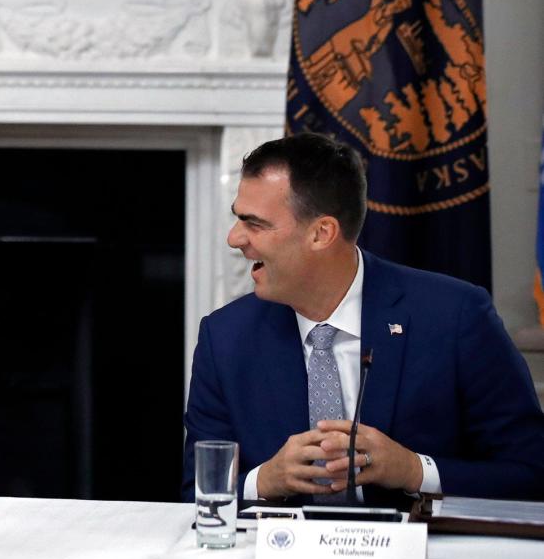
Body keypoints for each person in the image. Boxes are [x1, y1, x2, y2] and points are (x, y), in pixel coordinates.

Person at [182, 133, 544, 505]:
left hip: (423, 557)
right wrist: (265, 481)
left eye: (254, 223)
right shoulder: (225, 337)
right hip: (277, 558)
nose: (234, 238)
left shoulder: (455, 317)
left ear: (322, 233)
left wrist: (414, 470)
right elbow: (192, 493)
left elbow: (532, 472)